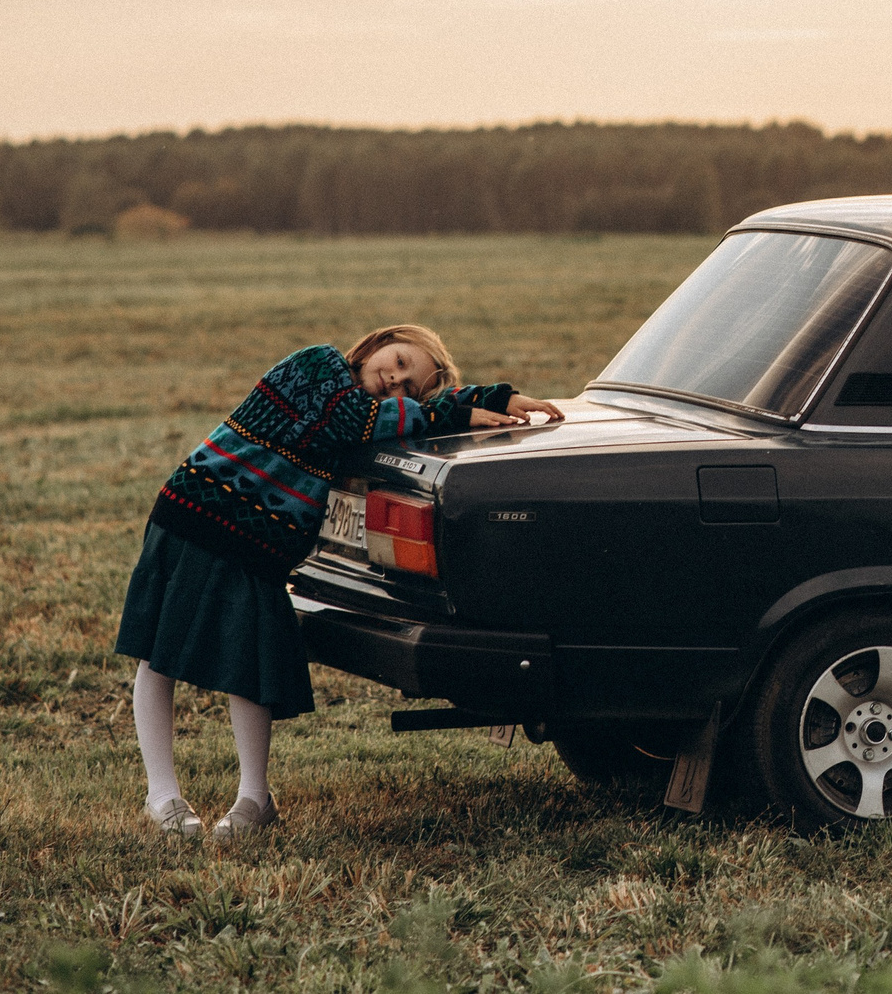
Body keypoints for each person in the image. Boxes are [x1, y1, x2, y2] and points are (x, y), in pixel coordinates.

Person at [115, 325, 564, 840]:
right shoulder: (316, 367)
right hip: (198, 512)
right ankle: (162, 797)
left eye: (409, 386)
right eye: (397, 361)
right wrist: (446, 409)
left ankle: (254, 799)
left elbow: (418, 412)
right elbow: (343, 422)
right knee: (158, 654)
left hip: (258, 547)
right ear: (376, 344)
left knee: (248, 663)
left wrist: (497, 398)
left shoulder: (384, 412)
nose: (395, 379)